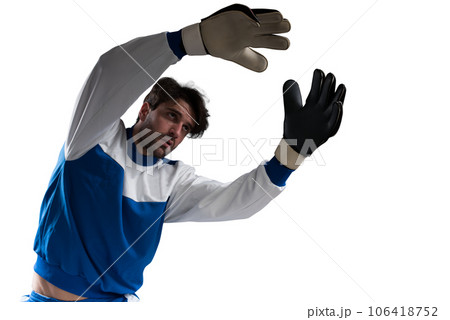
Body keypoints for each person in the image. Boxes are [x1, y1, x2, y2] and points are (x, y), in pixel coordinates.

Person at [25, 4, 346, 302]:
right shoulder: (92, 138)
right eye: (172, 116)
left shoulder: (172, 181)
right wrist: (189, 40)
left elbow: (237, 201)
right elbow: (110, 74)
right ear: (145, 109)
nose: (176, 132)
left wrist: (292, 152)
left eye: (186, 129)